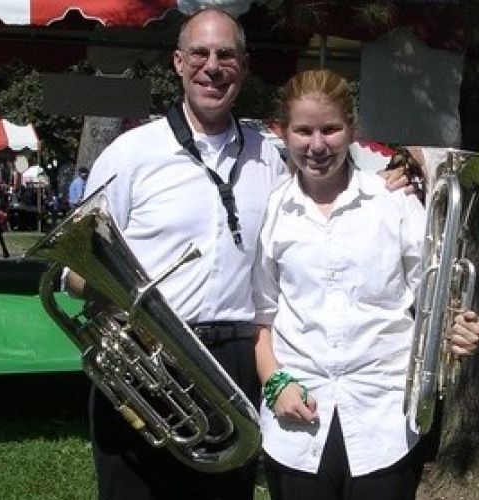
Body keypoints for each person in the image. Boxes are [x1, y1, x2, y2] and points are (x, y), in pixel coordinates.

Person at [64, 9, 420, 500]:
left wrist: (412, 163)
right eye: (200, 54)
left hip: (234, 358)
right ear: (178, 62)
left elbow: (341, 158)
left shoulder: (272, 154)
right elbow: (72, 267)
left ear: (244, 66)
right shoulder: (130, 154)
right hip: (145, 352)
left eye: (226, 55)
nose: (213, 66)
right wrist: (111, 300)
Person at [252, 69, 479, 500]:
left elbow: (438, 297)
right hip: (296, 422)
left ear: (352, 130)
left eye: (330, 129)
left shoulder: (393, 202)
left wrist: (465, 326)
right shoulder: (275, 209)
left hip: (384, 419)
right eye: (303, 131)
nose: (317, 145)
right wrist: (275, 383)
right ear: (283, 133)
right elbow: (263, 320)